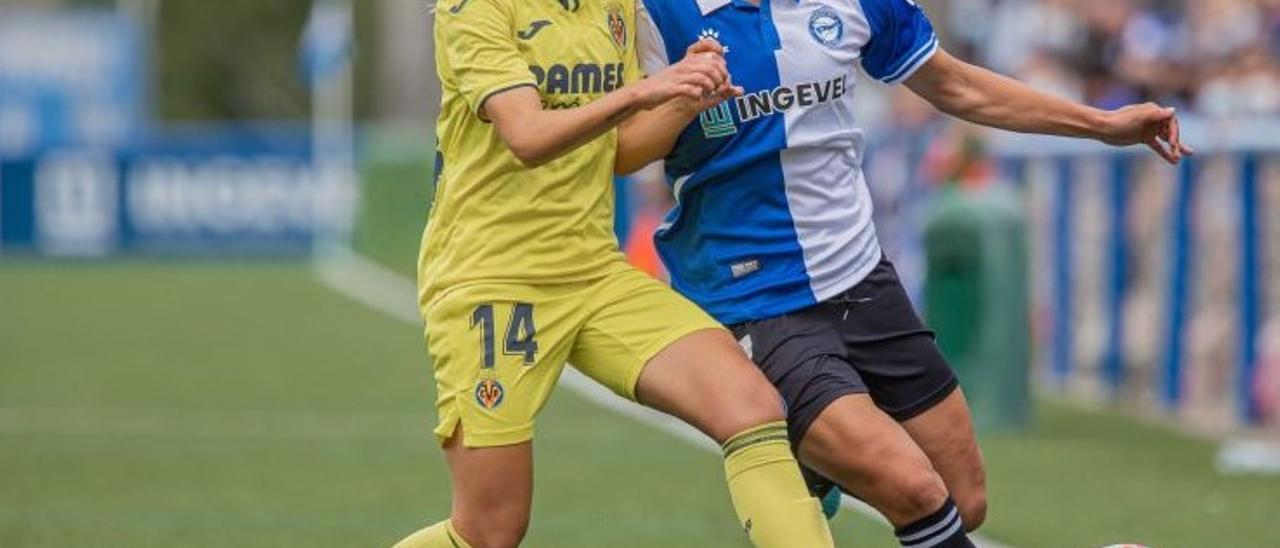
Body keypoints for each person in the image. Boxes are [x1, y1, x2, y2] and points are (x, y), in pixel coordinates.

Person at [628, 1, 1192, 547]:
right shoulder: (654, 12)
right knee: (915, 490)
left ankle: (814, 464)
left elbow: (956, 85)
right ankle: (814, 447)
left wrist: (1101, 124)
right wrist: (680, 100)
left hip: (860, 276)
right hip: (754, 296)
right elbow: (621, 149)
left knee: (962, 501)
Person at [395, 1, 837, 547]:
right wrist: (643, 91)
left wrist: (683, 97)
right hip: (492, 280)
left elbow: (621, 152)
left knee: (751, 407)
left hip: (596, 272)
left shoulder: (615, 6)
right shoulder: (474, 9)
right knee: (491, 530)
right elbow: (528, 136)